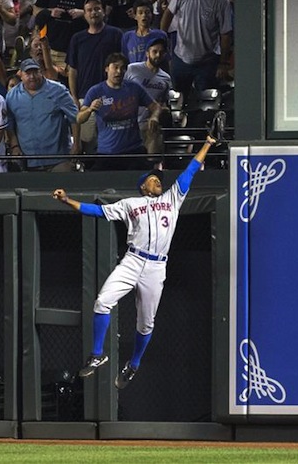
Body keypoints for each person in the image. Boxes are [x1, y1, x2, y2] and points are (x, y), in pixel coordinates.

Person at [52, 134, 217, 389]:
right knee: (102, 301)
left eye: (158, 180)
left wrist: (207, 143)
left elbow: (190, 170)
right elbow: (98, 211)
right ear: (143, 186)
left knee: (146, 323)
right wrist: (66, 201)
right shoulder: (131, 203)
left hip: (156, 267)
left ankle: (134, 364)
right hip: (133, 260)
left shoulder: (172, 199)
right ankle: (97, 355)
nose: (157, 182)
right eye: (153, 180)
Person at [77, 52, 160, 170]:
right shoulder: (96, 91)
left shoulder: (134, 88)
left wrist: (154, 116)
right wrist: (90, 109)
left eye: (122, 68)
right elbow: (79, 118)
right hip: (107, 152)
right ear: (106, 69)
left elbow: (155, 106)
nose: (119, 71)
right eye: (115, 67)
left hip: (133, 150)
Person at [66, 0, 122, 156]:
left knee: (111, 142)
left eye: (97, 9)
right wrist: (74, 96)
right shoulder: (77, 38)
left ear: (104, 12)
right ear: (84, 14)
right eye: (89, 10)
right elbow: (72, 69)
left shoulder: (115, 34)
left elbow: (122, 66)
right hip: (86, 98)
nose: (93, 13)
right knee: (88, 141)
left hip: (112, 97)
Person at [5, 58, 78, 172]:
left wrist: (76, 145)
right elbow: (9, 123)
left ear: (41, 72)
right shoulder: (12, 96)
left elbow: (75, 118)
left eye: (35, 72)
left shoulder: (58, 90)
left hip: (58, 159)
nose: (32, 76)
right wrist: (14, 146)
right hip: (28, 160)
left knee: (62, 188)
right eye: (28, 73)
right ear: (21, 75)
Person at [161, 0, 232, 102]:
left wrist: (222, 63)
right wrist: (162, 38)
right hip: (181, 59)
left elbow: (226, 34)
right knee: (177, 102)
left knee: (207, 104)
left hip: (207, 63)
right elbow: (168, 13)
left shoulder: (222, 2)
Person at [124, 36, 171, 157]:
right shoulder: (132, 69)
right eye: (154, 51)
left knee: (152, 160)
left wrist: (161, 112)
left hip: (150, 126)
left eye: (161, 52)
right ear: (147, 53)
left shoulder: (165, 78)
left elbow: (163, 102)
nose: (157, 55)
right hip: (129, 124)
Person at [32, 0, 87, 77]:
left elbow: (101, 13)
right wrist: (50, 12)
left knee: (66, 81)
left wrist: (83, 13)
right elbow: (36, 11)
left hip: (72, 51)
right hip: (49, 48)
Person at [121, 0, 167, 64]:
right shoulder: (127, 37)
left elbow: (166, 59)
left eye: (147, 12)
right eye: (140, 12)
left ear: (151, 15)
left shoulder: (160, 35)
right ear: (135, 16)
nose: (144, 15)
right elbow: (124, 60)